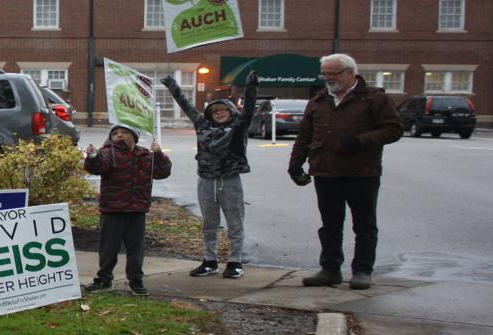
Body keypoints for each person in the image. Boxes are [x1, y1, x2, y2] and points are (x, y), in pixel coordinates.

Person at [287, 54, 402, 290]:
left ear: (350, 73)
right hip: (325, 172)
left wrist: (360, 142)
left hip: (362, 172)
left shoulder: (374, 98)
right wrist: (295, 164)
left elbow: (393, 129)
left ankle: (362, 271)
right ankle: (330, 269)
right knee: (330, 223)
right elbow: (305, 136)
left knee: (364, 224)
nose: (328, 78)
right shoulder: (318, 100)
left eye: (333, 73)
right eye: (325, 74)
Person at [161, 69, 261, 279]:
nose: (219, 114)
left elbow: (250, 108)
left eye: (223, 110)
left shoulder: (239, 127)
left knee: (235, 223)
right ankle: (209, 261)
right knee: (209, 223)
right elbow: (186, 106)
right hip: (206, 181)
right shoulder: (202, 126)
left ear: (231, 111)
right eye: (215, 112)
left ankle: (235, 262)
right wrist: (171, 85)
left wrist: (251, 86)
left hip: (230, 181)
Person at [83, 125, 171, 296]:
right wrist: (93, 156)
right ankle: (104, 279)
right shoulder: (108, 153)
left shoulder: (145, 155)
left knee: (136, 249)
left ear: (134, 136)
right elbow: (98, 166)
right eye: (115, 133)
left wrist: (159, 154)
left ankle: (136, 280)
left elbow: (162, 172)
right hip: (112, 210)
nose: (119, 136)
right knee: (109, 248)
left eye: (124, 132)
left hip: (137, 210)